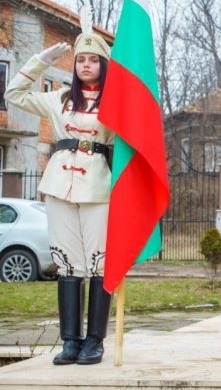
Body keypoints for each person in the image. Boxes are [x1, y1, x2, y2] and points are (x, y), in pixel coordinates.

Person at [6, 28, 114, 366]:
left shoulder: (116, 100)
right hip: (59, 183)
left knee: (98, 263)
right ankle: (70, 341)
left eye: (93, 60)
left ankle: (94, 341)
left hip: (98, 184)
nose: (85, 65)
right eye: (80, 59)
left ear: (103, 65)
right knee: (68, 263)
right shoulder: (60, 99)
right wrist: (41, 61)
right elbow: (14, 93)